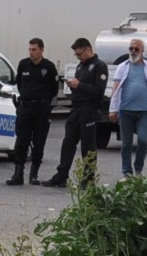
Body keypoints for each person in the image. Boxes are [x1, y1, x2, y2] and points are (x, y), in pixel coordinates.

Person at [46, 37, 108, 189]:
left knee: (88, 145)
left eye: (79, 54)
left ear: (88, 49)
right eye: (76, 55)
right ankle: (61, 175)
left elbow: (98, 90)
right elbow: (81, 87)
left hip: (89, 109)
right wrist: (73, 85)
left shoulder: (99, 66)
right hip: (76, 108)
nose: (78, 57)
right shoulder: (81, 66)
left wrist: (79, 85)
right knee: (68, 142)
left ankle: (88, 178)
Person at [107, 37, 147, 178]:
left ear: (142, 51)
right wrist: (113, 109)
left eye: (136, 49)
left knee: (143, 141)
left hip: (144, 111)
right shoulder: (123, 67)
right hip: (126, 110)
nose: (133, 51)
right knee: (126, 144)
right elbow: (115, 89)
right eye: (131, 48)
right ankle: (127, 171)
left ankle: (138, 168)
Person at [6, 37, 61, 185]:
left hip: (41, 109)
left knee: (39, 142)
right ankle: (18, 174)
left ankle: (34, 174)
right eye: (30, 49)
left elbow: (54, 89)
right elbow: (19, 83)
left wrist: (45, 105)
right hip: (25, 108)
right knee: (21, 141)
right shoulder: (24, 65)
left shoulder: (48, 67)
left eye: (34, 50)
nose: (31, 52)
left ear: (42, 50)